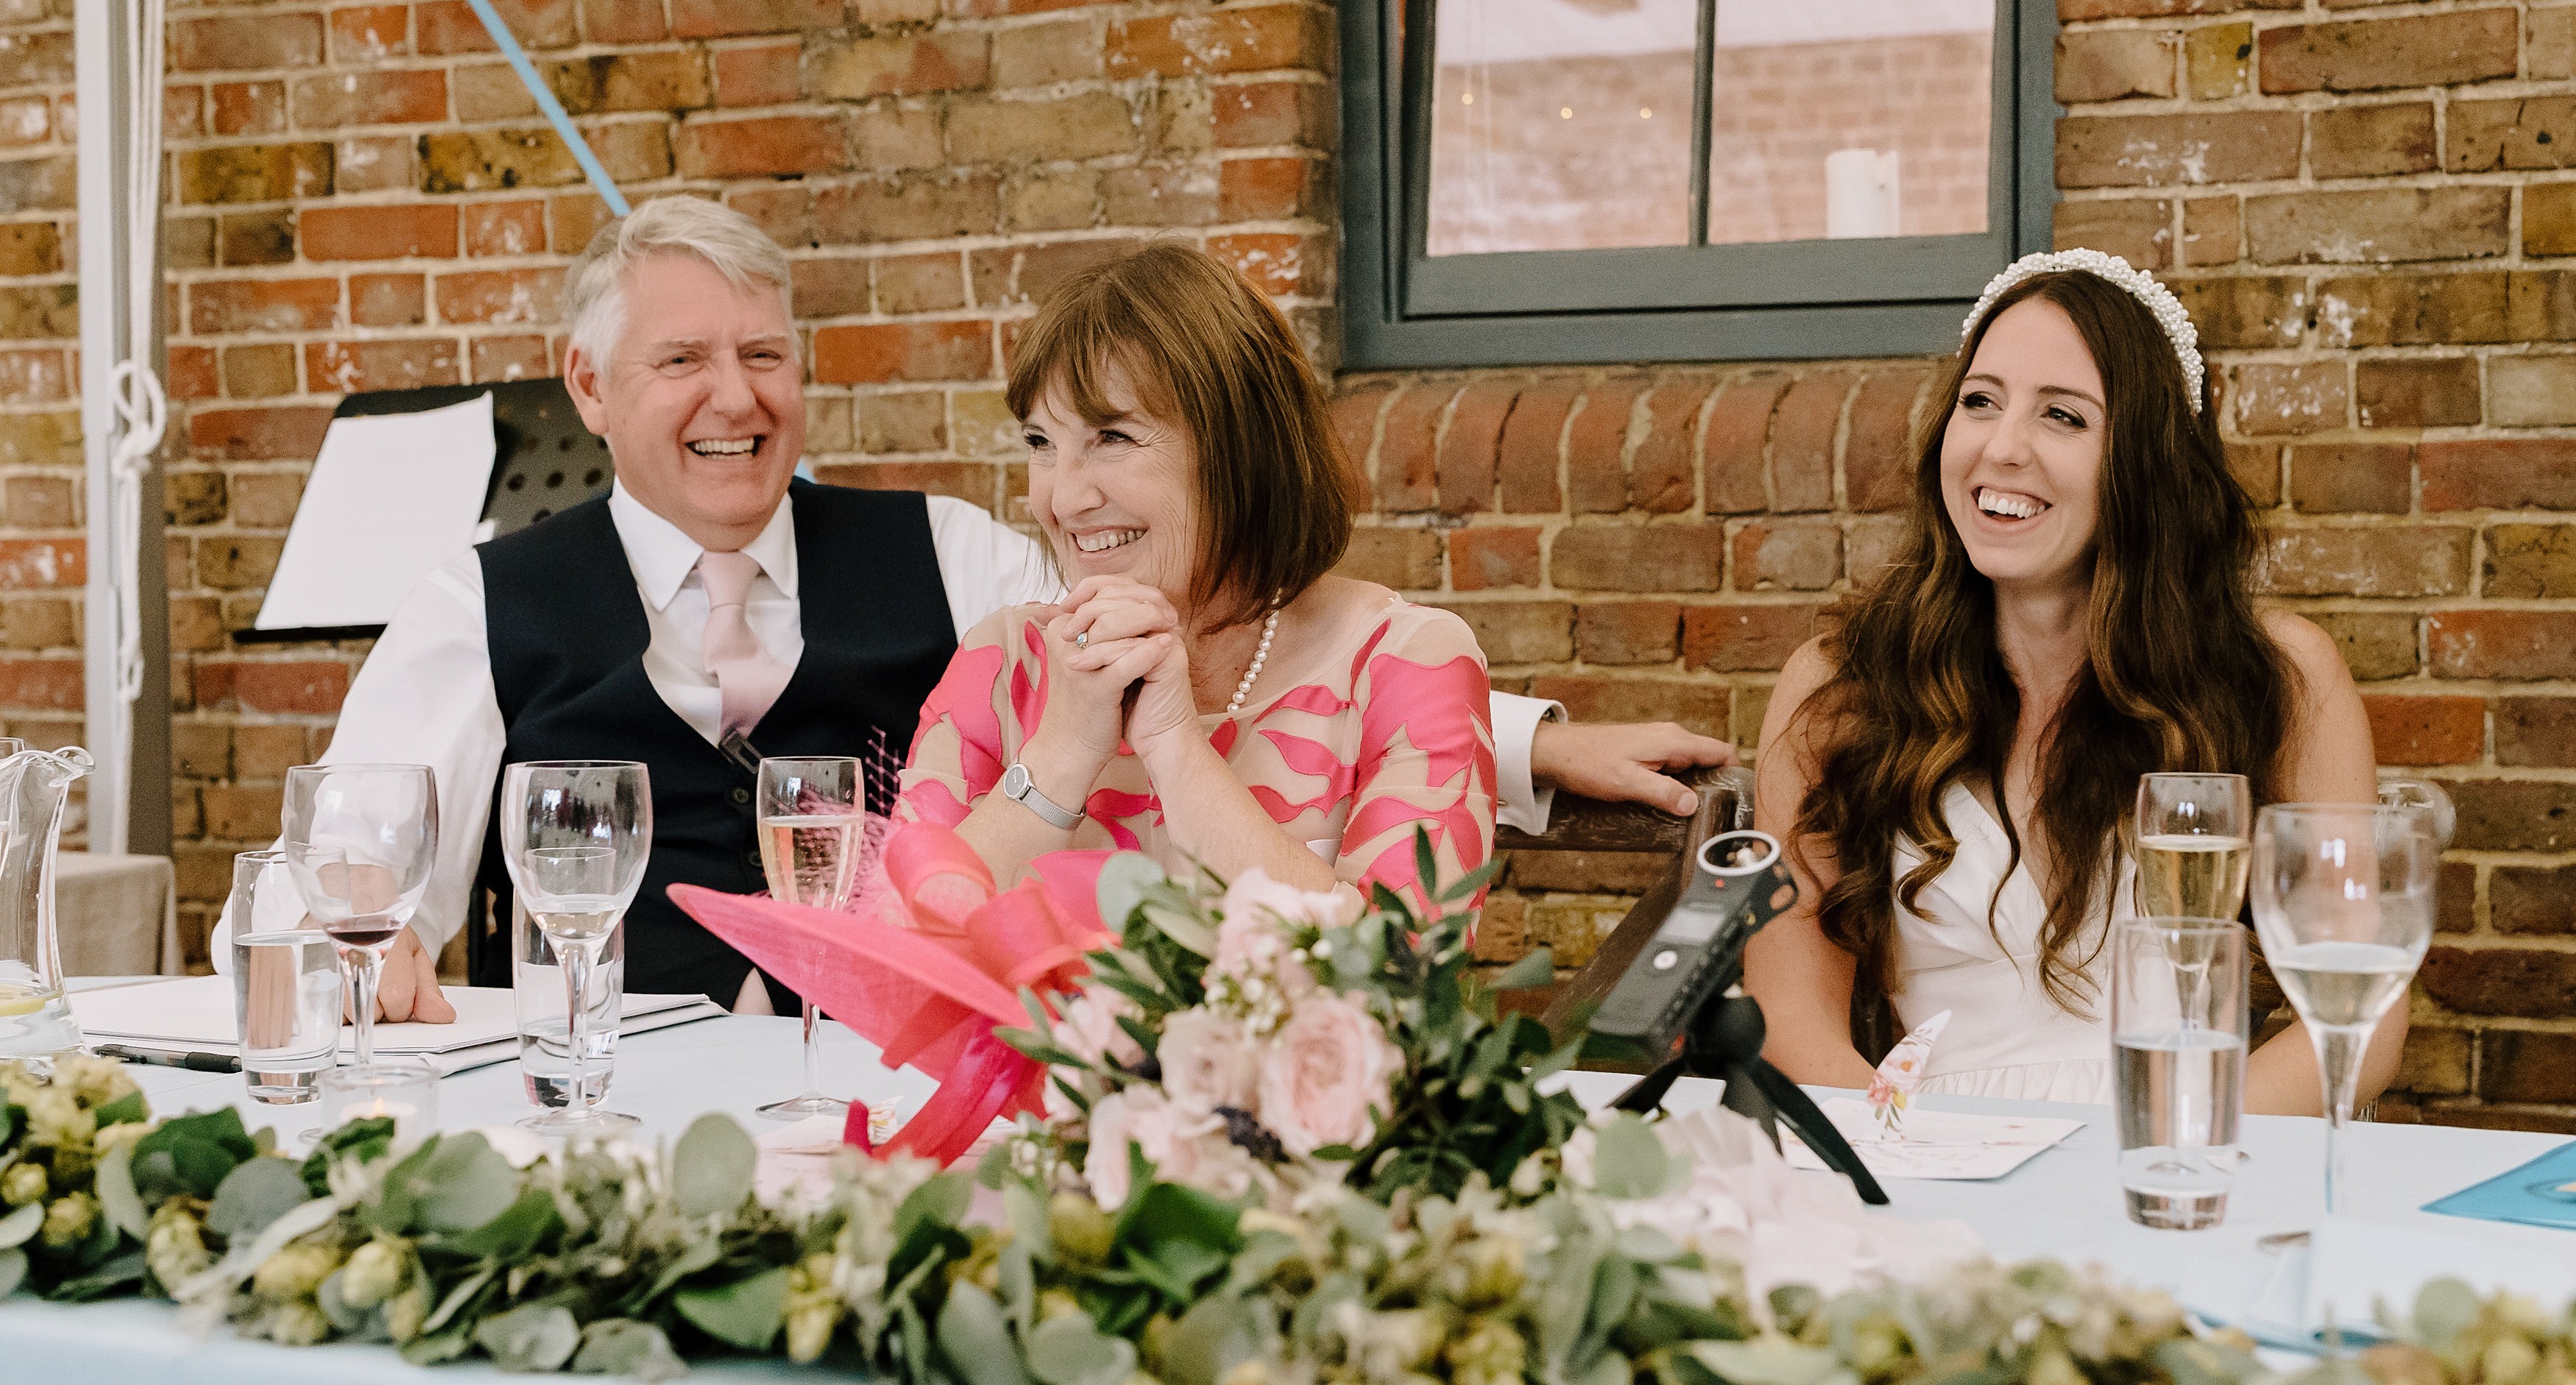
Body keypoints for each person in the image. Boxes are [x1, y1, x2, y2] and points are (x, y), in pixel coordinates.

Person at [210, 197, 1733, 1015]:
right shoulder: (476, 602)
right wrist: (361, 948)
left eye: (767, 354)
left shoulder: (948, 554)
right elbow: (341, 860)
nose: (736, 397)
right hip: (626, 1076)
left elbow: (1213, 634)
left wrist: (1531, 738)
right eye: (683, 361)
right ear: (591, 388)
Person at [1743, 250, 2392, 1114]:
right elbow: (1790, 1019)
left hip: (2183, 1146)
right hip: (1931, 1161)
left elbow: (2357, 1023)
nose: (2001, 446)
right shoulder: (1841, 687)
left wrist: (2165, 1147)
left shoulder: (2276, 675)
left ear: (2145, 464)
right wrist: (1912, 1164)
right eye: (1979, 401)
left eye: (2062, 416)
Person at [896, 245, 1489, 910]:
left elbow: (1403, 979)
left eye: (1112, 437)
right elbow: (891, 959)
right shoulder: (1005, 663)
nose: (1063, 500)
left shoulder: (1402, 664)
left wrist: (1176, 749)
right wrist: (1060, 753)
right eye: (1041, 444)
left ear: (1241, 447)